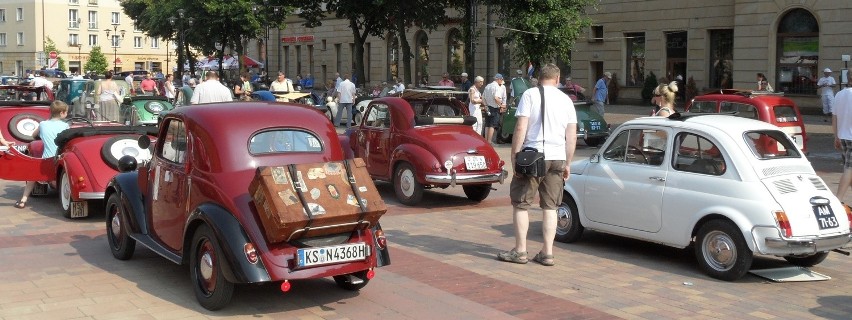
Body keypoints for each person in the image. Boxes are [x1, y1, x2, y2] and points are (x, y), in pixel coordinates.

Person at [498, 63, 577, 266]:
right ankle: (547, 253)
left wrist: (515, 155)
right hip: (557, 157)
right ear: (557, 79)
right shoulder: (567, 100)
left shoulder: (530, 95)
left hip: (533, 157)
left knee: (521, 204)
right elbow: (571, 136)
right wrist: (568, 162)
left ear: (539, 77)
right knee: (551, 206)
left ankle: (521, 251)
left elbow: (521, 127)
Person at [15, 101, 70, 209]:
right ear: (62, 113)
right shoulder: (65, 125)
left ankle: (23, 200)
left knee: (32, 176)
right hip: (59, 159)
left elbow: (34, 135)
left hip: (46, 160)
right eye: (66, 112)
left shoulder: (43, 124)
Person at [834, 71, 852, 200]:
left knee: (849, 170)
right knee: (849, 169)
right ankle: (838, 200)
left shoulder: (839, 94)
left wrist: (836, 136)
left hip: (843, 136)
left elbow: (834, 117)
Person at [482, 73, 507, 144]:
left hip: (488, 107)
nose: (501, 81)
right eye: (501, 79)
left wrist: (486, 105)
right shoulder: (496, 87)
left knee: (487, 124)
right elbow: (496, 98)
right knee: (492, 125)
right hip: (494, 108)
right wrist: (501, 105)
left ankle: (486, 141)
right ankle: (489, 141)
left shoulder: (488, 86)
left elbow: (483, 97)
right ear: (498, 79)